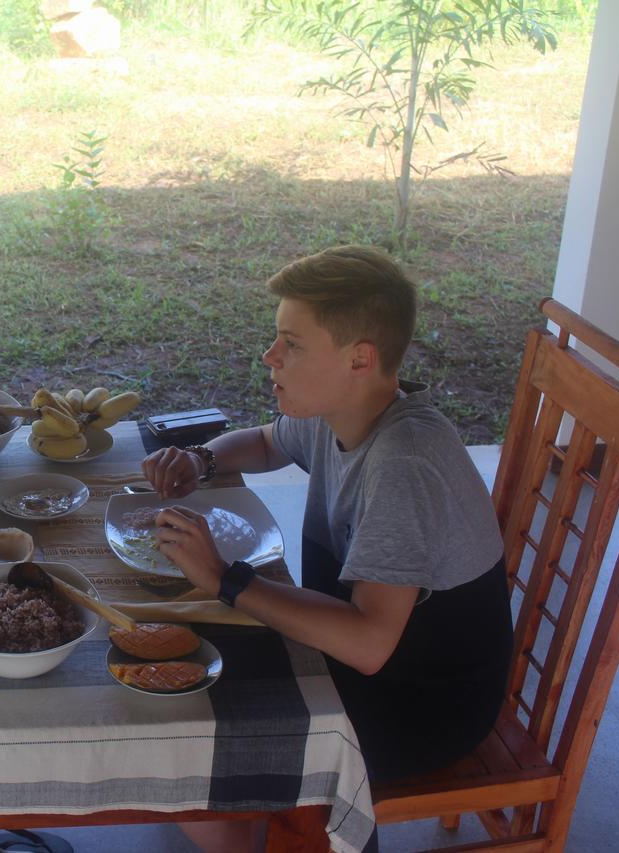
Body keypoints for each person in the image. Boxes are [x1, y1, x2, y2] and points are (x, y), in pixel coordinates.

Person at [142, 246, 512, 848]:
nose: (270, 357)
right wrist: (200, 459)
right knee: (191, 669)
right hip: (357, 659)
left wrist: (226, 579)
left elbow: (368, 644)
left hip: (418, 708)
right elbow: (265, 443)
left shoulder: (404, 465)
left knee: (182, 743)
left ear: (359, 358)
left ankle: (291, 835)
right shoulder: (341, 409)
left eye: (292, 344)